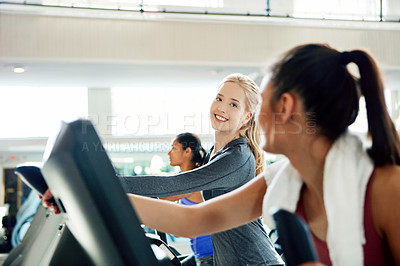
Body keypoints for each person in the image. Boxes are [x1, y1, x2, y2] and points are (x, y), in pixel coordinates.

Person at [127, 44, 400, 266]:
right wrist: (101, 191)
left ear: (285, 105)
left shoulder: (388, 189)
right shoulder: (284, 179)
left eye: (261, 101)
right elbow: (196, 220)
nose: (256, 117)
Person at [43, 73, 284, 266]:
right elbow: (171, 195)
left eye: (234, 104)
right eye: (219, 98)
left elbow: (175, 185)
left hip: (254, 261)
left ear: (246, 117)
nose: (222, 107)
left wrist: (100, 183)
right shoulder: (216, 152)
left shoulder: (237, 157)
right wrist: (86, 194)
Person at [161, 132, 214, 266]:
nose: (169, 153)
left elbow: (160, 198)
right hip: (200, 254)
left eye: (174, 148)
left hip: (209, 256)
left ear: (187, 151)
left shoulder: (191, 182)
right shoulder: (186, 180)